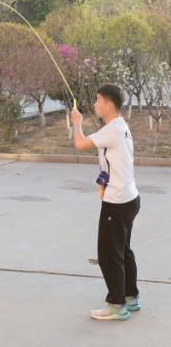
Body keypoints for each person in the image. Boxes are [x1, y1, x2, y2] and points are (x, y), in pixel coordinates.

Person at [71, 84, 141, 321]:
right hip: (129, 198)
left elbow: (80, 144)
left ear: (110, 104)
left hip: (117, 202)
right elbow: (114, 162)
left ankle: (116, 304)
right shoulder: (121, 127)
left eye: (98, 100)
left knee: (109, 254)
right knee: (123, 251)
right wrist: (103, 179)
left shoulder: (112, 129)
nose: (95, 104)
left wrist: (77, 122)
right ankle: (130, 297)